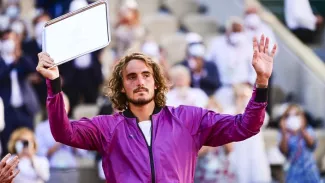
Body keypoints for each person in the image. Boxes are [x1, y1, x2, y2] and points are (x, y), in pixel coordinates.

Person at [36, 35, 277, 182]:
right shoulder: (107, 127)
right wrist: (54, 82)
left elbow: (246, 126)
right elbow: (62, 132)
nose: (139, 81)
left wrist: (262, 83)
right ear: (121, 87)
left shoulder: (188, 119)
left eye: (145, 75)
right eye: (131, 77)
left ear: (156, 82)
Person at [278, 104, 320, 183]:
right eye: (289, 116)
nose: (293, 118)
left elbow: (312, 145)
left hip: (310, 172)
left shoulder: (308, 130)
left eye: (296, 115)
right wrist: (284, 133)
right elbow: (284, 151)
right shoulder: (284, 133)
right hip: (293, 173)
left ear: (302, 117)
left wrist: (302, 130)